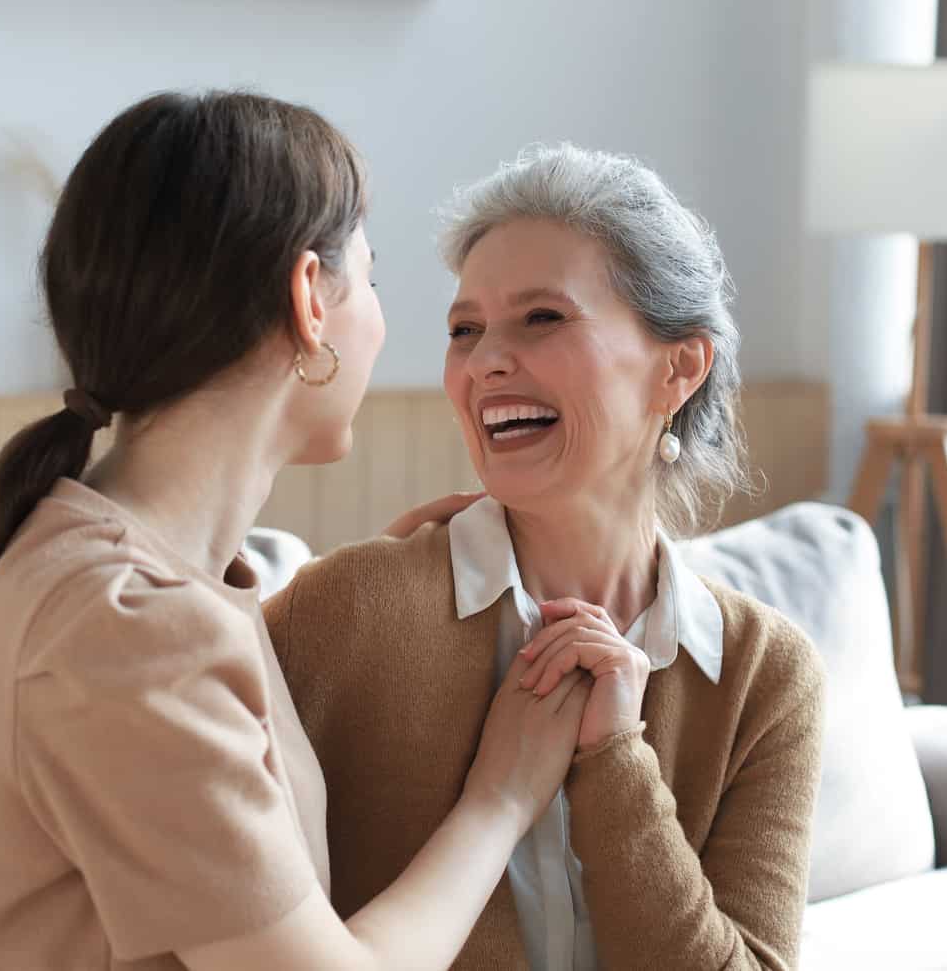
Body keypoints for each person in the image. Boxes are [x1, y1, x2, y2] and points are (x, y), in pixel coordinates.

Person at [0, 93, 593, 971]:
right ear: (310, 299)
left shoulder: (116, 573)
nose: (386, 324)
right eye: (372, 281)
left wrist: (370, 596)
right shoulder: (129, 625)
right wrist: (502, 796)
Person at [265, 144, 826, 970]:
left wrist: (614, 763)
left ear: (679, 367)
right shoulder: (351, 609)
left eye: (542, 318)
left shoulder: (764, 673)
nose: (485, 361)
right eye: (465, 330)